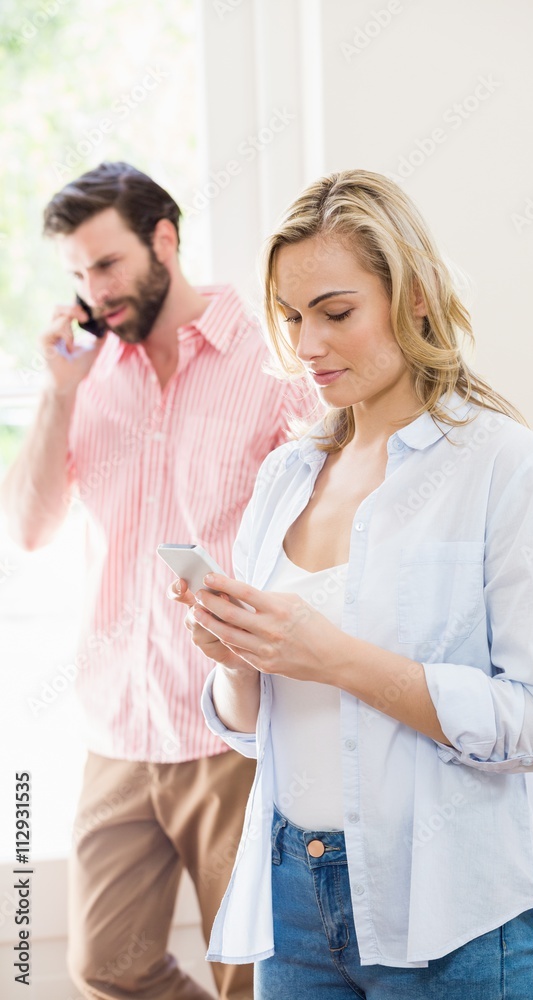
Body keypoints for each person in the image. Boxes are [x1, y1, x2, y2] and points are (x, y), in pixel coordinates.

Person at [168, 168, 533, 998]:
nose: (307, 346)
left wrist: (335, 658)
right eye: (291, 317)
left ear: (416, 297)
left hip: (454, 913)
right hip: (292, 904)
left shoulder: (503, 468)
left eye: (335, 313)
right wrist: (235, 662)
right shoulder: (286, 477)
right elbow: (252, 731)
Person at [1, 161, 313, 1000]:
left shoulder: (266, 355)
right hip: (118, 726)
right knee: (105, 964)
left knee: (253, 979)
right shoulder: (89, 375)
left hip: (230, 729)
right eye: (77, 274)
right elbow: (27, 527)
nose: (93, 292)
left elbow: (330, 524)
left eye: (106, 264)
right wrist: (58, 395)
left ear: (163, 240)